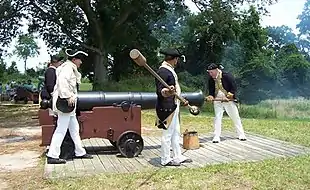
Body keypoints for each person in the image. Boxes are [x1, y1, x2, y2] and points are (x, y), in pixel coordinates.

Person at [46, 49, 93, 164]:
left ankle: (80, 151)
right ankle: (52, 155)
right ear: (74, 59)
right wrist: (67, 97)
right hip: (65, 103)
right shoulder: (68, 68)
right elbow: (62, 82)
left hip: (69, 105)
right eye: (79, 60)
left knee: (74, 129)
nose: (81, 62)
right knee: (61, 129)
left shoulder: (70, 68)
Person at [155, 48, 193, 166]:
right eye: (177, 59)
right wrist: (167, 91)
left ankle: (177, 156)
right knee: (167, 134)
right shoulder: (163, 71)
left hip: (174, 104)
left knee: (175, 132)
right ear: (175, 59)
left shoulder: (169, 70)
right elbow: (160, 91)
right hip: (167, 107)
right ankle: (165, 159)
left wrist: (180, 99)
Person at [205, 63, 247, 143]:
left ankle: (241, 134)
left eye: (212, 72)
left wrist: (229, 95)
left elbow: (234, 87)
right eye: (209, 72)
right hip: (217, 99)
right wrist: (210, 96)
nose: (210, 74)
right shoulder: (210, 79)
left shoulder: (227, 75)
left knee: (235, 117)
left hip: (228, 99)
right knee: (217, 117)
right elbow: (211, 91)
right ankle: (216, 136)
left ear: (217, 70)